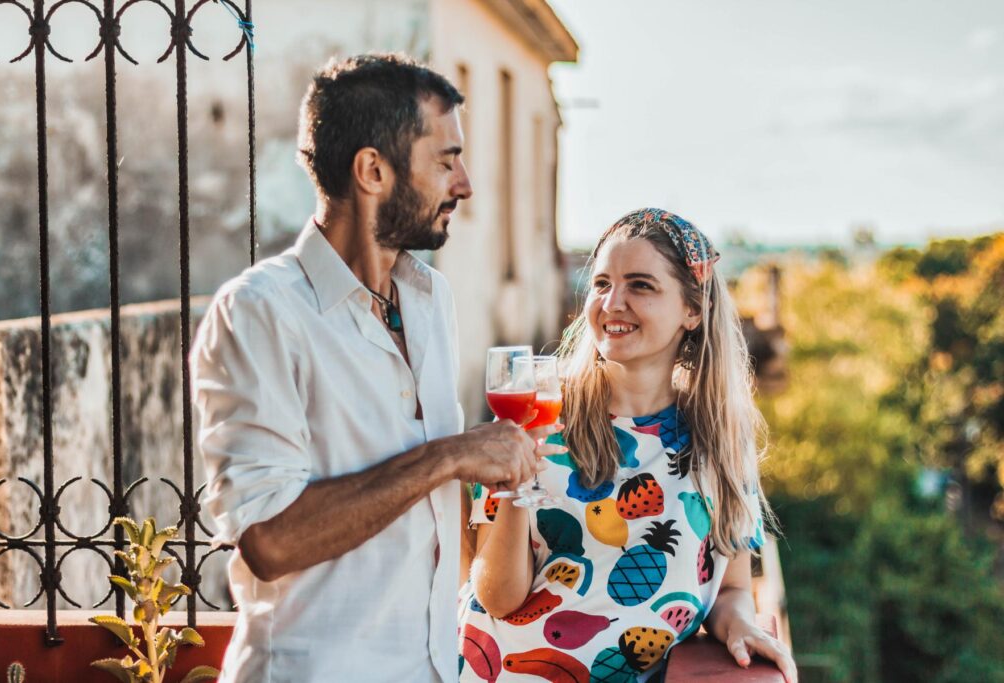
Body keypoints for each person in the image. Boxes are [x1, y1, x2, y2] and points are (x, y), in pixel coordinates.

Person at [191, 53, 562, 683]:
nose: (466, 183)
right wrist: (448, 456)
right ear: (372, 170)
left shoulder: (430, 299)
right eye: (446, 160)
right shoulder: (259, 311)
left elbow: (430, 524)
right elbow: (270, 541)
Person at [459, 209, 797, 683]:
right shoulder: (534, 419)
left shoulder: (720, 440)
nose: (613, 302)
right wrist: (518, 480)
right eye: (601, 284)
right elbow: (496, 598)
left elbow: (731, 587)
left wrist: (739, 623)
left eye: (640, 285)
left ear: (692, 310)